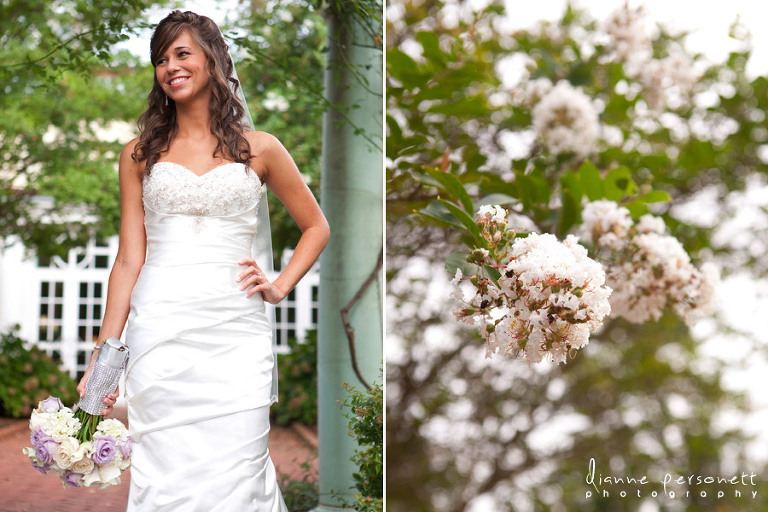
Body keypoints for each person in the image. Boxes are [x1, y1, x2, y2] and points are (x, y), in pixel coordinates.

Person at [77, 10, 330, 511]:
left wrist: (279, 287)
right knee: (164, 475)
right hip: (161, 332)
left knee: (238, 469)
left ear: (213, 60)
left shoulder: (261, 149)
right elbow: (129, 260)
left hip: (235, 334)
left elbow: (317, 227)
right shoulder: (138, 155)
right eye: (160, 59)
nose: (170, 66)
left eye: (182, 53)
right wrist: (102, 363)